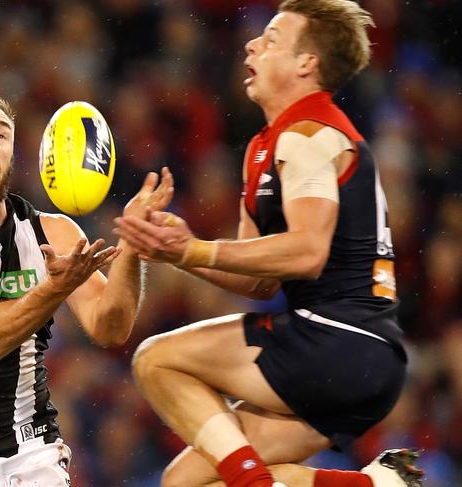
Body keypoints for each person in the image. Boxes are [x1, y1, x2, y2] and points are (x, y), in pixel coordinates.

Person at [113, 1, 424, 487]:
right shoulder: (266, 145)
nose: (253, 43)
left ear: (307, 63)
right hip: (362, 357)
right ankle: (372, 484)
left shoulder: (307, 134)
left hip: (336, 339)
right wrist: (173, 252)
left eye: (273, 39)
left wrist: (193, 250)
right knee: (186, 483)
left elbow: (307, 252)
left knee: (156, 360)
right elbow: (258, 281)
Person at [0, 86, 173, 486]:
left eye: (2, 134)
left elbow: (111, 327)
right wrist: (53, 289)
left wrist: (133, 249)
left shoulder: (51, 231)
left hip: (32, 451)